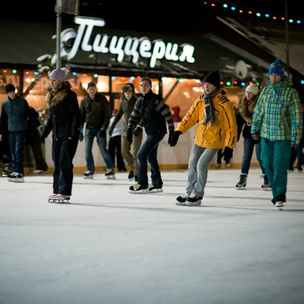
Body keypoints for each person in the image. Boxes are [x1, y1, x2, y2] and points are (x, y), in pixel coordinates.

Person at [170, 70, 237, 206]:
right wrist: (179, 131)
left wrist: (229, 146)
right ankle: (189, 193)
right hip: (200, 138)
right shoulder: (201, 100)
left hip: (214, 141)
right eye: (205, 84)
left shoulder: (224, 103)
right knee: (192, 163)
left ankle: (198, 195)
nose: (206, 87)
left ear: (216, 86)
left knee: (201, 165)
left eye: (210, 84)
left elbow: (231, 126)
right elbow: (190, 117)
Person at [251, 58, 303, 209]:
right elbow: (259, 111)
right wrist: (255, 128)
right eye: (271, 75)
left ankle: (279, 194)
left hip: (283, 136)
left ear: (282, 76)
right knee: (266, 163)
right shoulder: (266, 91)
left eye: (276, 75)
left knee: (280, 165)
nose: (273, 78)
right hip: (266, 135)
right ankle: (276, 192)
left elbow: (296, 117)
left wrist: (295, 137)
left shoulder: (291, 93)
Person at [127, 77, 174, 193]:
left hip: (158, 131)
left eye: (146, 85)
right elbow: (134, 116)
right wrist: (129, 128)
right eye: (141, 85)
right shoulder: (140, 101)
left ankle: (142, 183)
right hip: (150, 131)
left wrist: (172, 131)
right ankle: (157, 183)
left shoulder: (156, 99)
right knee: (151, 157)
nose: (143, 87)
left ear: (150, 86)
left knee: (141, 155)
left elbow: (167, 115)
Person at [41, 67, 80, 201]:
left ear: (61, 81)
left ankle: (64, 191)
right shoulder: (52, 96)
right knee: (57, 162)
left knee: (64, 161)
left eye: (54, 80)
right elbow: (52, 119)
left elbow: (76, 114)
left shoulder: (69, 95)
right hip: (57, 135)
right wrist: (44, 134)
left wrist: (74, 132)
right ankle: (57, 190)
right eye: (51, 80)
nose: (51, 82)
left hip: (69, 134)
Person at [235, 84, 270, 190]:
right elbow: (239, 121)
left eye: (250, 92)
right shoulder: (242, 103)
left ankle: (267, 179)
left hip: (260, 133)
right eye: (246, 92)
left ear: (255, 94)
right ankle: (242, 179)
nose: (247, 94)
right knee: (246, 156)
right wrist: (236, 136)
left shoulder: (261, 103)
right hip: (248, 133)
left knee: (260, 157)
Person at [79, 81, 115, 179]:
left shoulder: (102, 99)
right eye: (90, 89)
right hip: (89, 128)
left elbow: (107, 114)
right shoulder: (84, 101)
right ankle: (90, 169)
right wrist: (80, 130)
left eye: (94, 89)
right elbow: (81, 116)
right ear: (87, 90)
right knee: (87, 150)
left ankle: (110, 168)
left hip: (100, 128)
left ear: (96, 89)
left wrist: (104, 128)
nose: (92, 91)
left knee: (103, 149)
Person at [109, 83, 142, 181]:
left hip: (136, 129)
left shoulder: (137, 101)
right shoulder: (123, 102)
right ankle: (133, 168)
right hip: (125, 129)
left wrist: (139, 126)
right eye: (125, 92)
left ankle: (136, 174)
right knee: (124, 151)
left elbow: (142, 116)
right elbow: (119, 114)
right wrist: (112, 126)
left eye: (129, 91)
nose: (127, 94)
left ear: (132, 91)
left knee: (135, 152)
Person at [0, 84, 31, 182]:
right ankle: (15, 170)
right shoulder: (5, 104)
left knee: (18, 152)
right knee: (13, 152)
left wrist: (37, 124)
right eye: (10, 92)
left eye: (13, 91)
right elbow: (3, 119)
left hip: (21, 130)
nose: (12, 93)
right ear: (7, 93)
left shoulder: (22, 102)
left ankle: (19, 171)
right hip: (11, 131)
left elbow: (29, 114)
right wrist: (1, 132)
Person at [26, 106, 48, 173]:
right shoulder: (31, 112)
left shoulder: (29, 112)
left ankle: (41, 167)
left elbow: (35, 120)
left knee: (37, 152)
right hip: (32, 134)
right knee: (37, 151)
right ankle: (43, 166)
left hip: (32, 134)